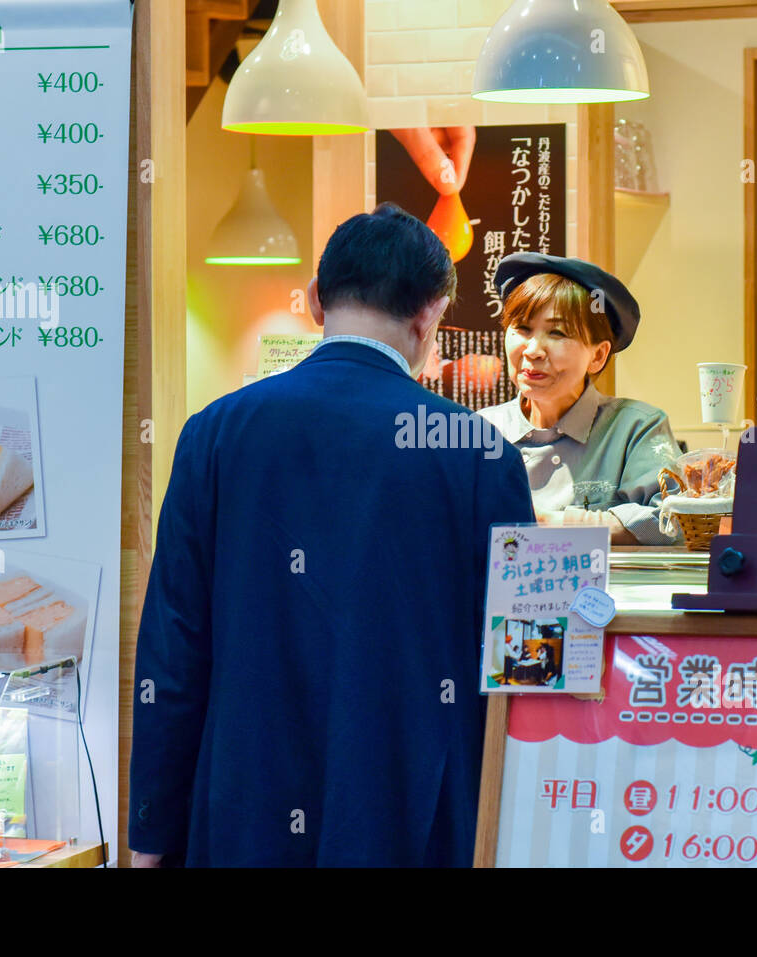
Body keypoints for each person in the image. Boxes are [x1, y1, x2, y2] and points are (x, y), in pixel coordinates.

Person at [128, 203, 535, 867]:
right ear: (432, 312)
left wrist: (150, 829)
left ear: (317, 299)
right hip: (416, 814)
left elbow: (173, 649)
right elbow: (524, 657)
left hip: (243, 809)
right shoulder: (476, 450)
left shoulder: (215, 433)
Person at [478, 253, 684, 545]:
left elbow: (671, 520)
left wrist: (548, 523)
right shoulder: (482, 429)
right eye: (522, 328)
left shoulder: (636, 428)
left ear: (598, 355)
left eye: (557, 332)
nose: (533, 350)